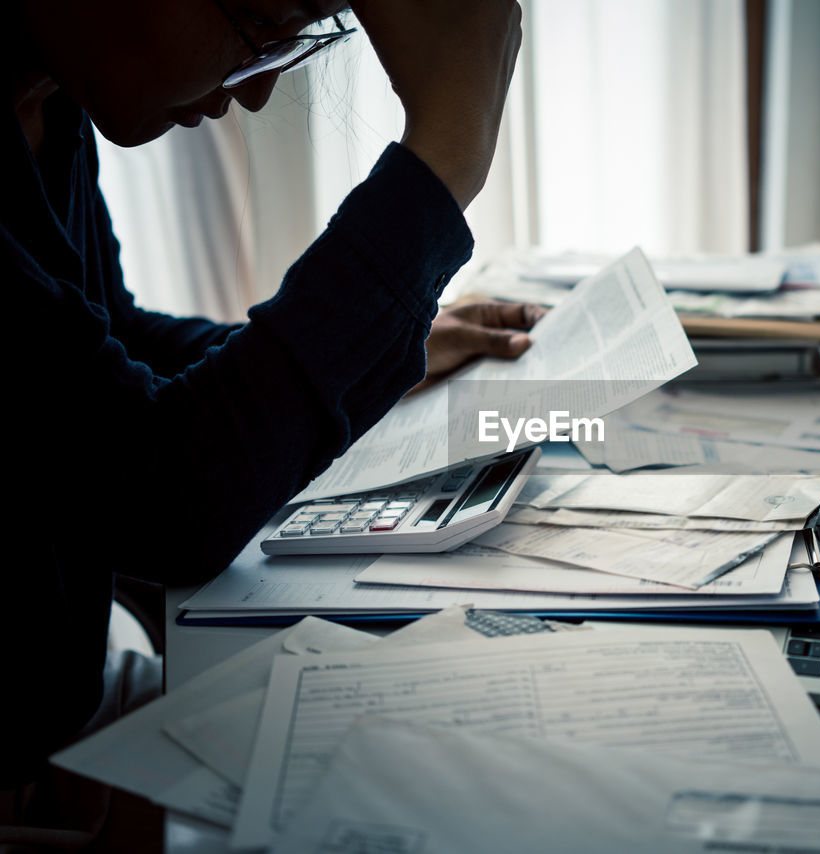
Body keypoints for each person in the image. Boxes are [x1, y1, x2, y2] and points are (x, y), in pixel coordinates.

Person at [2, 0, 532, 806]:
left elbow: (114, 341)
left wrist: (378, 336)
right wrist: (445, 157)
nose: (254, 93)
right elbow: (167, 498)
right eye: (260, 23)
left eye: (295, 40)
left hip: (78, 686)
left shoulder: (48, 100)